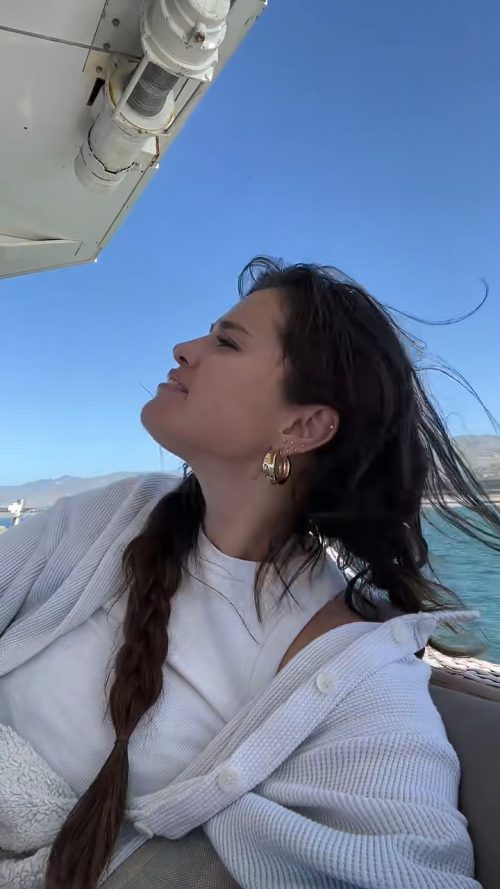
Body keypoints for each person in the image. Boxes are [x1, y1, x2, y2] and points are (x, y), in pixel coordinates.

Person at [0, 257, 499, 889]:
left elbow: (412, 866)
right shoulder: (113, 513)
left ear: (302, 426)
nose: (183, 349)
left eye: (227, 342)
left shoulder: (346, 668)